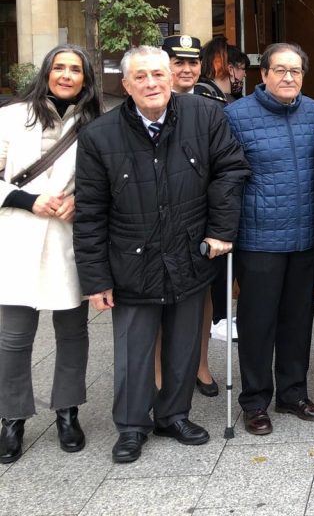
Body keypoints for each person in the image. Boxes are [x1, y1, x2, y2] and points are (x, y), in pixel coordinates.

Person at [74, 46, 248, 464]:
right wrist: (95, 279)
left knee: (184, 345)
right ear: (126, 84)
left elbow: (231, 169)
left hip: (190, 252)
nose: (152, 83)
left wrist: (221, 230)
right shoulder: (100, 136)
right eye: (142, 77)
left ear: (171, 77)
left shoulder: (204, 117)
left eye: (158, 74)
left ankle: (174, 414)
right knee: (133, 351)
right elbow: (90, 212)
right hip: (131, 260)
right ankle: (132, 426)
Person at [0, 45, 103, 464]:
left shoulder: (97, 122)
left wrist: (81, 201)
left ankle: (67, 411)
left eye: (74, 69)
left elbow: (105, 179)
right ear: (47, 72)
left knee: (73, 332)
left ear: (85, 77)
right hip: (18, 236)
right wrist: (27, 200)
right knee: (13, 338)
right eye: (59, 67)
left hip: (69, 240)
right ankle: (12, 417)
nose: (66, 75)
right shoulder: (9, 116)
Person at [224, 43, 314, 436]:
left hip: (305, 236)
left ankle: (293, 393)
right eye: (280, 70)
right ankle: (254, 401)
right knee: (257, 323)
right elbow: (226, 178)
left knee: (298, 321)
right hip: (259, 238)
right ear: (263, 74)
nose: (289, 77)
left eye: (296, 71)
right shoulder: (235, 116)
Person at [161, 34, 224, 399]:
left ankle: (200, 366)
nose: (186, 69)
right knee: (155, 299)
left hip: (200, 214)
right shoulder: (148, 98)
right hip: (158, 214)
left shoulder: (212, 100)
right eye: (177, 61)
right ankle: (156, 373)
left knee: (203, 296)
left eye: (192, 62)